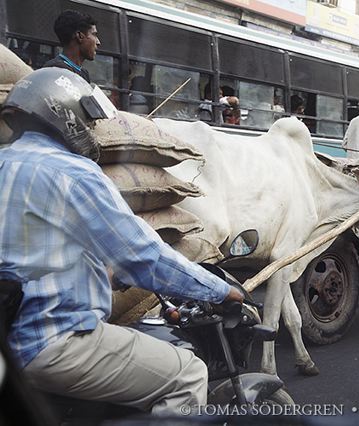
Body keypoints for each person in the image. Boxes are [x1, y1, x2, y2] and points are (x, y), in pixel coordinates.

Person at [0, 68, 244, 415]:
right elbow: (143, 256)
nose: (92, 129)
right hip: (49, 341)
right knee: (188, 374)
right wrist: (220, 291)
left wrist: (99, 272)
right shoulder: (74, 173)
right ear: (67, 116)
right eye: (89, 120)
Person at [43, 10, 100, 83]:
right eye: (94, 34)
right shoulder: (56, 70)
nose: (98, 42)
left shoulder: (84, 73)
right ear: (79, 36)